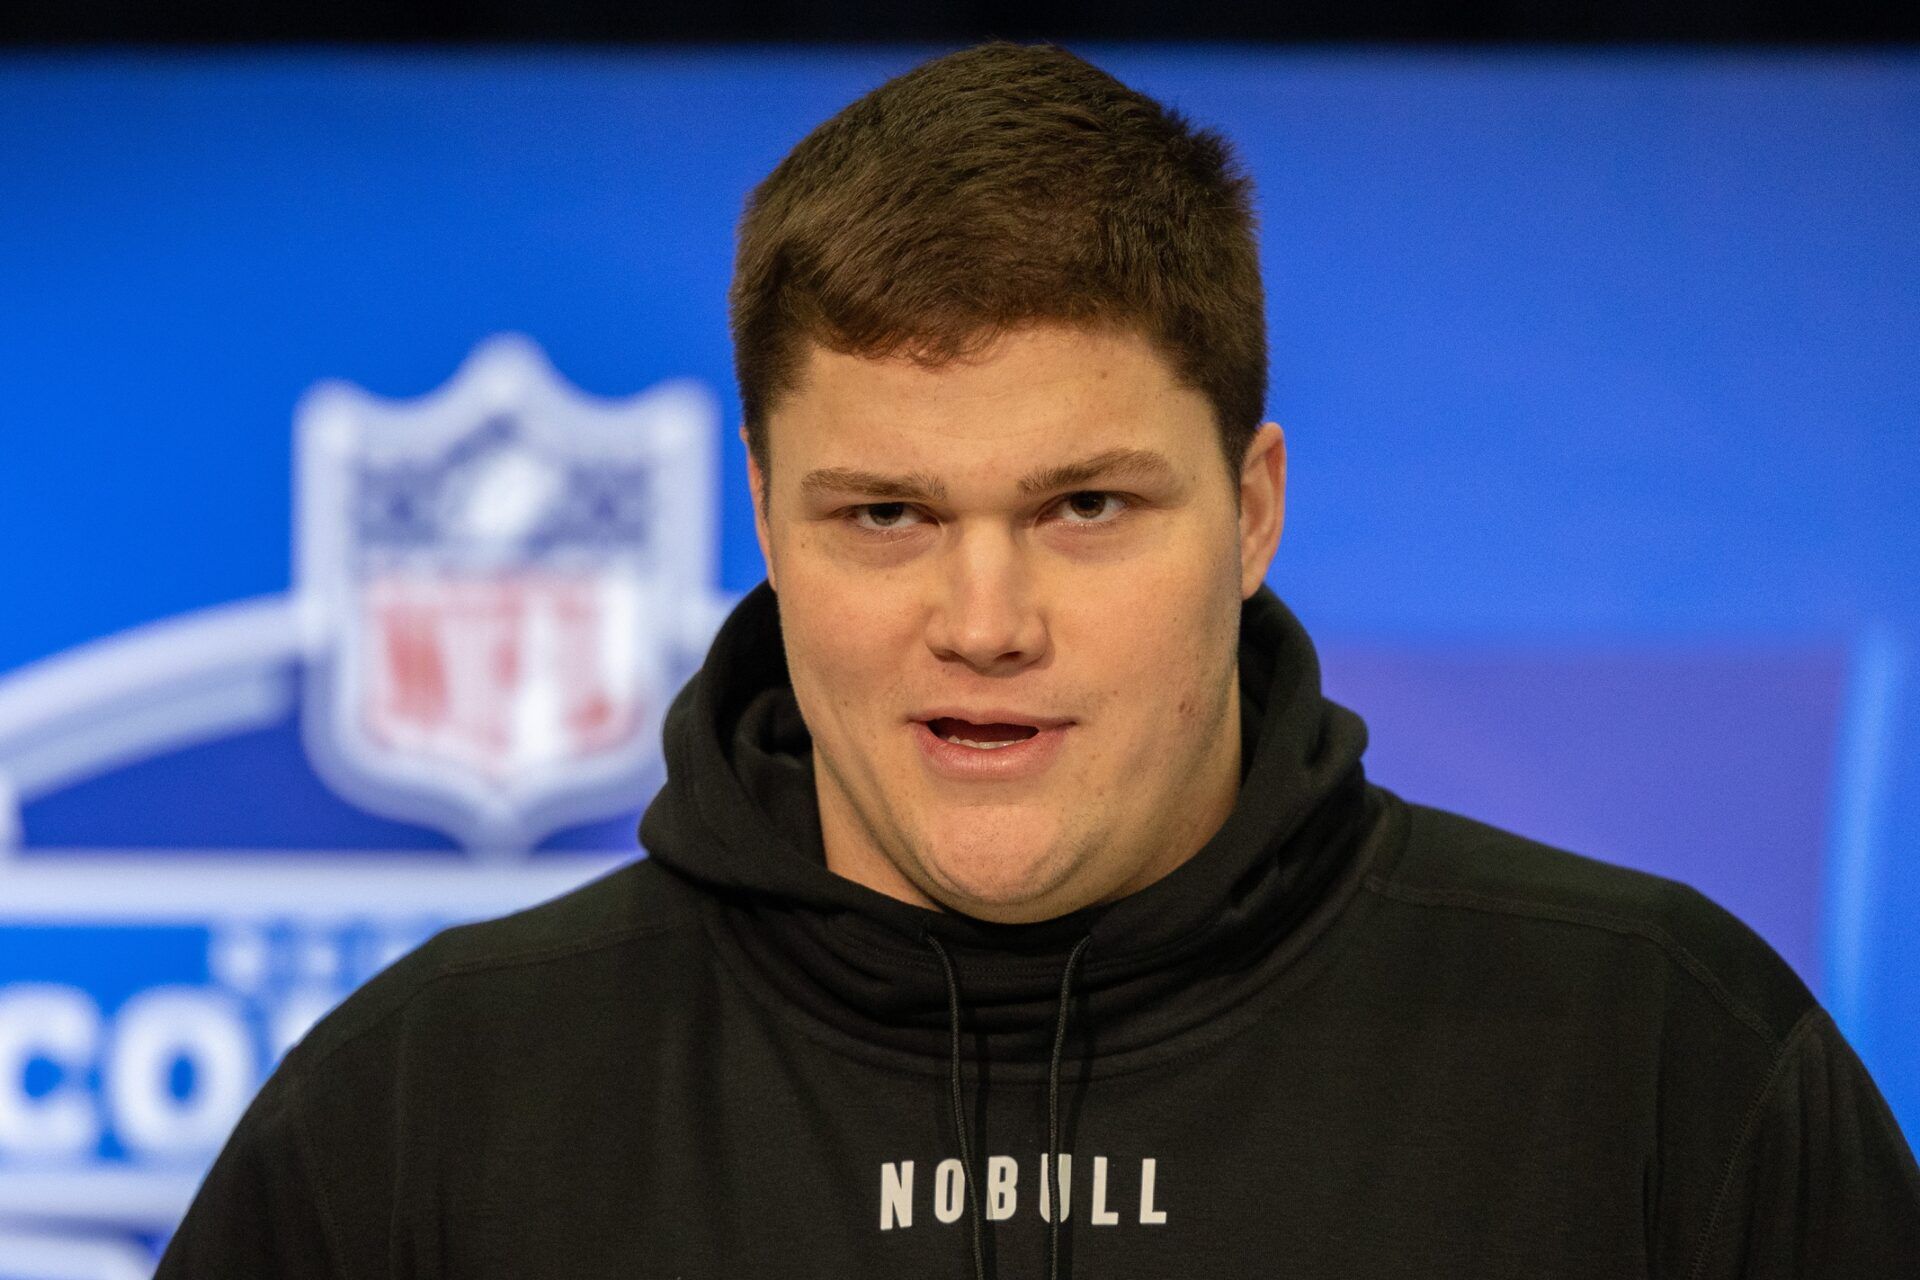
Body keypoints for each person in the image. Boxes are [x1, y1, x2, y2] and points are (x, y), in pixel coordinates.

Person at [158, 41, 1920, 1279]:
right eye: (887, 517)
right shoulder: (425, 1108)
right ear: (766, 521)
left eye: (1083, 505)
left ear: (1253, 510)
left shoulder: (1659, 1058)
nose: (986, 623)